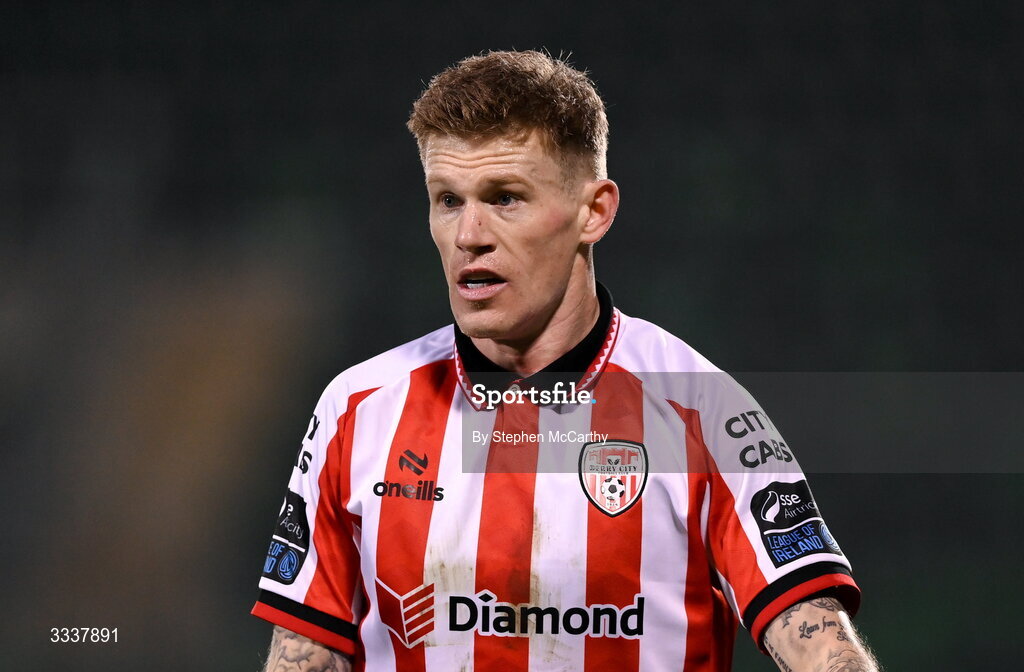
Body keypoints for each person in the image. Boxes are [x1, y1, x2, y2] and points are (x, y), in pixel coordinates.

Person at [252, 50, 881, 672]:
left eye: (505, 197)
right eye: (448, 200)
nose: (469, 233)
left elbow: (820, 646)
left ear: (594, 212)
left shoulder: (700, 407)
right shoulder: (357, 410)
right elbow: (304, 657)